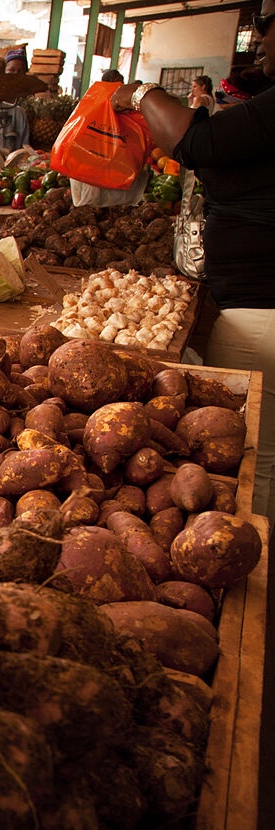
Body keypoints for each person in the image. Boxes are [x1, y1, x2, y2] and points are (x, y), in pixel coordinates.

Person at [110, 3, 275, 520]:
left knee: (255, 458)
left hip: (263, 311)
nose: (262, 39)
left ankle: (252, 564)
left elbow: (196, 141)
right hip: (257, 303)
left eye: (271, 28)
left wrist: (139, 93)